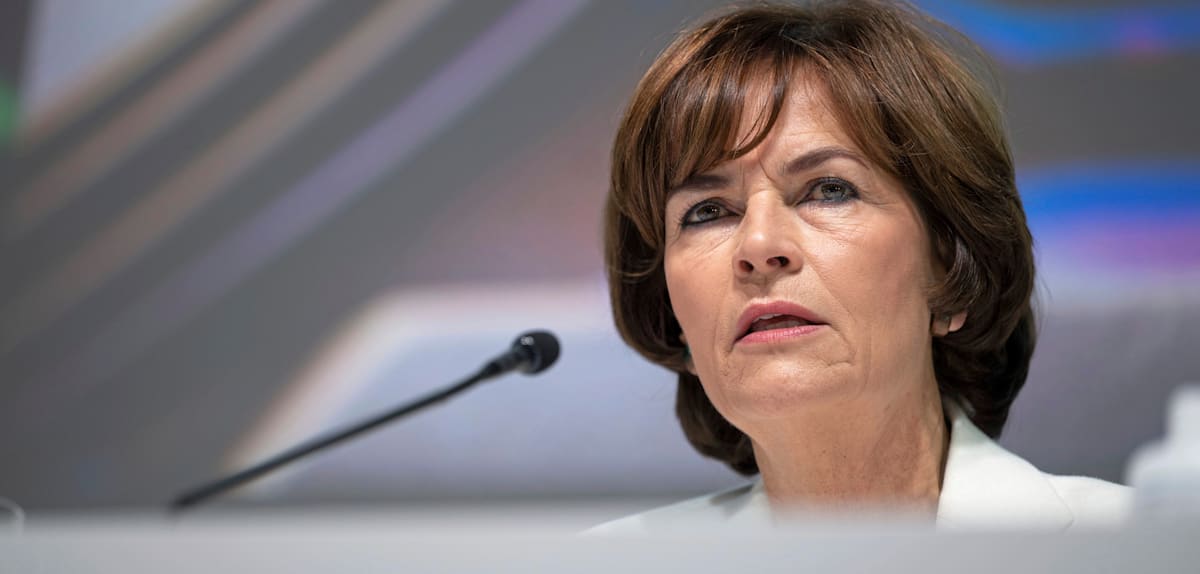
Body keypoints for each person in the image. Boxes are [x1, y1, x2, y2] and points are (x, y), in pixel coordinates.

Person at [597, 0, 1130, 532]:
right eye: (707, 212)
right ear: (672, 315)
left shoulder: (1134, 544)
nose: (758, 246)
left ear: (950, 268)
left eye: (829, 190)